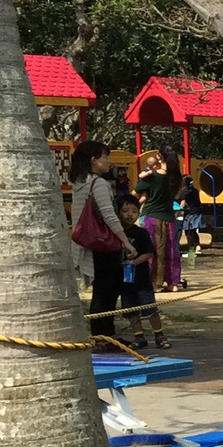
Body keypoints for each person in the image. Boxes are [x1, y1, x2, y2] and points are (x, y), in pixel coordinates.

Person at [69, 140, 136, 338]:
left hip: (87, 242)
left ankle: (103, 334)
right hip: (103, 244)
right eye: (105, 157)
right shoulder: (98, 183)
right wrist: (126, 241)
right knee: (107, 291)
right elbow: (109, 215)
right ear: (94, 160)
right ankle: (103, 335)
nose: (109, 161)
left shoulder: (79, 182)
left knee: (102, 290)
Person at [116, 194, 169, 348]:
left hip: (141, 279)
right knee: (131, 310)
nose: (129, 214)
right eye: (125, 211)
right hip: (125, 282)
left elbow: (149, 252)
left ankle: (159, 335)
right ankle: (139, 337)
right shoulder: (115, 233)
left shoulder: (140, 233)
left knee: (149, 308)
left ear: (139, 214)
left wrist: (133, 262)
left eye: (133, 211)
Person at [136, 150, 185, 292]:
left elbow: (137, 190)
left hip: (151, 217)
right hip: (169, 218)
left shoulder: (151, 176)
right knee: (171, 250)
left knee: (151, 251)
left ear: (159, 157)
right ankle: (173, 283)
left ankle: (154, 283)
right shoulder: (176, 178)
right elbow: (177, 195)